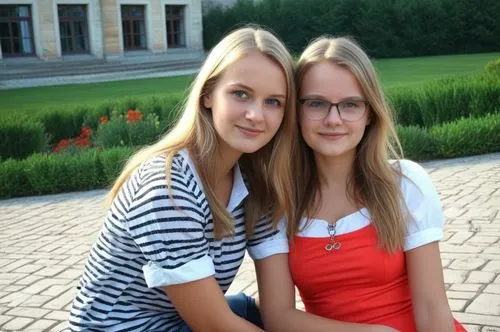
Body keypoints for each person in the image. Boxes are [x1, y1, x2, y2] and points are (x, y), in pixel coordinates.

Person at [68, 26, 298, 331]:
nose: (256, 114)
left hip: (177, 322)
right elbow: (214, 325)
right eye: (240, 94)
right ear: (207, 95)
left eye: (273, 102)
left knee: (249, 311)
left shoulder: (256, 183)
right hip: (118, 328)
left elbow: (279, 313)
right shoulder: (167, 186)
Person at [256, 37, 467, 332]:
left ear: (369, 112)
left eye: (351, 105)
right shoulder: (277, 201)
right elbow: (278, 316)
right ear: (295, 111)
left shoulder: (404, 183)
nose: (334, 119)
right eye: (316, 103)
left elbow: (432, 308)